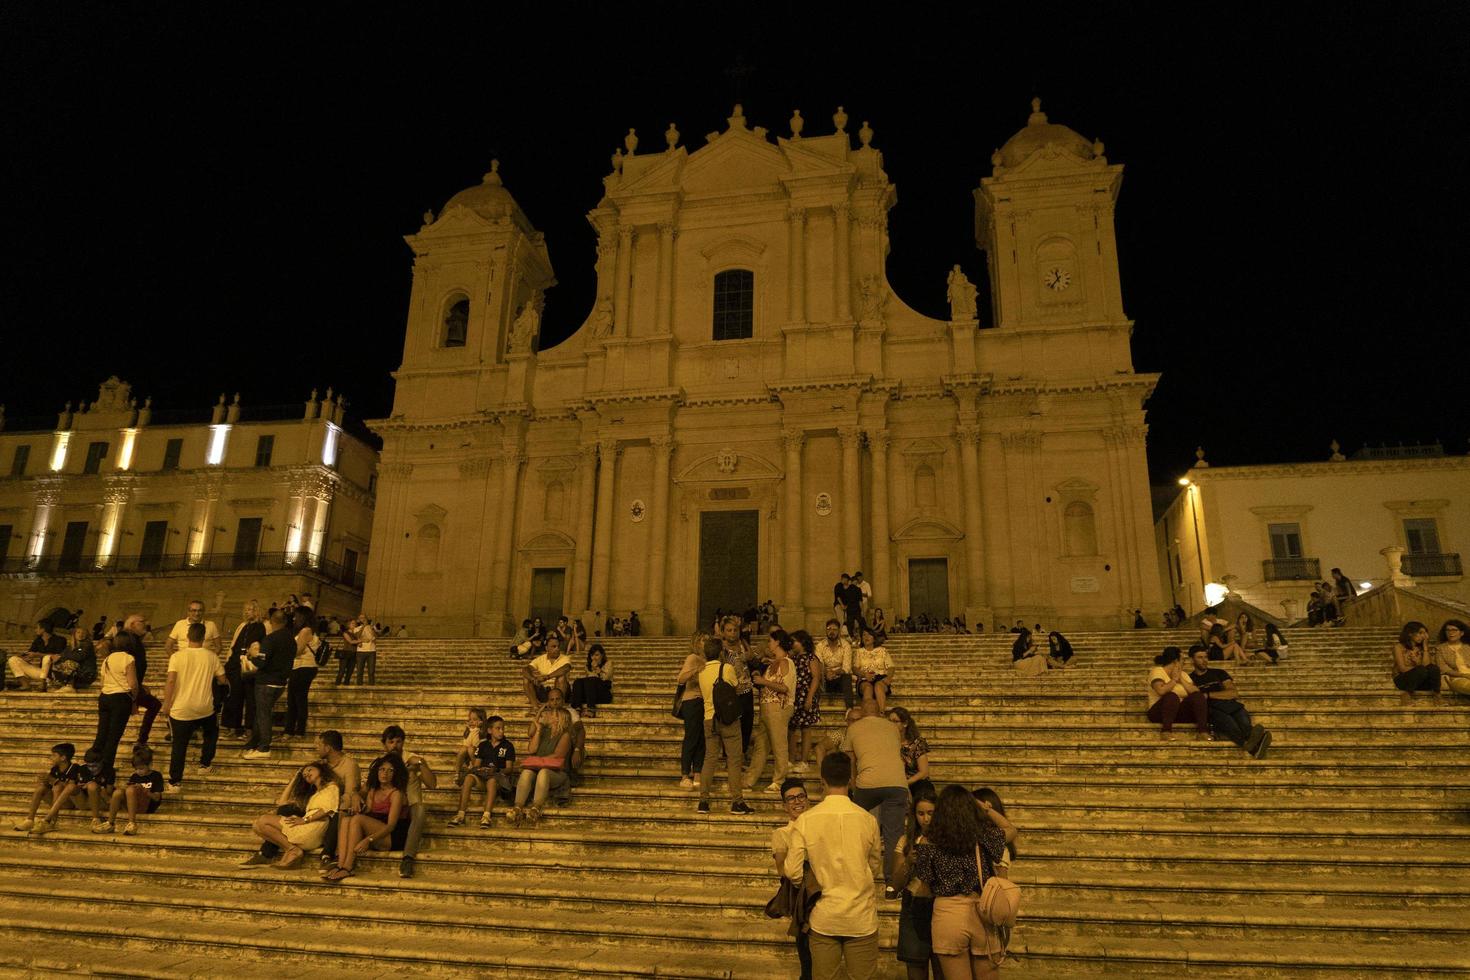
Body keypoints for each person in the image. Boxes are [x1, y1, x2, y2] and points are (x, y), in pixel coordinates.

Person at [784, 751, 883, 980]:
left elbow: (792, 870)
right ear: (850, 780)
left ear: (823, 781)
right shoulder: (867, 820)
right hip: (861, 916)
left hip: (824, 915)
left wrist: (808, 884)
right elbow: (874, 865)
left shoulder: (807, 820)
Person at [911, 784, 1018, 980]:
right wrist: (985, 808)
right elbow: (1010, 829)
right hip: (980, 911)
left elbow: (925, 886)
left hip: (947, 914)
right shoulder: (981, 837)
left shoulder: (928, 843)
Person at [840, 698, 909, 894]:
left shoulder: (854, 728)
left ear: (861, 712)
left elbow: (850, 759)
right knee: (894, 834)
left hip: (867, 784)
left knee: (857, 829)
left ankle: (857, 874)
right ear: (880, 712)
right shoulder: (892, 728)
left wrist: (853, 783)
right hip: (897, 784)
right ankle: (891, 883)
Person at [161, 621, 226, 790]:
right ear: (204, 637)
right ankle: (204, 764)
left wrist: (166, 704)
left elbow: (171, 680)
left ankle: (175, 781)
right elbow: (222, 680)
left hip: (181, 709)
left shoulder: (177, 656)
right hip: (205, 707)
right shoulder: (211, 656)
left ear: (188, 636)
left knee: (179, 746)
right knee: (211, 734)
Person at [697, 636, 753, 815]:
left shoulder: (701, 671)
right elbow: (736, 687)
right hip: (728, 719)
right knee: (734, 760)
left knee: (709, 759)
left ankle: (703, 801)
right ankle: (737, 801)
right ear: (721, 652)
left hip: (708, 718)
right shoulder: (726, 668)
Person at [891, 784, 941, 980]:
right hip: (913, 906)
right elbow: (895, 883)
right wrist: (908, 862)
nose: (926, 819)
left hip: (939, 906)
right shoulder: (906, 841)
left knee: (943, 969)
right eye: (921, 813)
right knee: (915, 971)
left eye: (930, 813)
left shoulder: (946, 840)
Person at [323, 756, 401, 881]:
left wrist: (367, 840)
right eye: (382, 769)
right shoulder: (373, 790)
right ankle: (340, 864)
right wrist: (357, 807)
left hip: (391, 836)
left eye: (390, 770)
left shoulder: (396, 794)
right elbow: (369, 812)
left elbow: (391, 826)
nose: (385, 773)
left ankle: (348, 867)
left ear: (395, 774)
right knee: (346, 819)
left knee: (358, 819)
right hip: (376, 830)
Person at [1188, 645, 1272, 758]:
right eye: (1200, 657)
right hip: (1212, 709)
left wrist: (1208, 695)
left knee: (1245, 726)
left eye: (1206, 657)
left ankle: (1252, 745)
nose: (1204, 660)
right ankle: (1256, 742)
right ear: (1192, 660)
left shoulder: (1219, 673)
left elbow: (1233, 693)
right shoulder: (1190, 679)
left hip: (1231, 705)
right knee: (1230, 724)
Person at [770, 776, 814, 978]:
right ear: (784, 805)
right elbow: (782, 869)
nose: (797, 802)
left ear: (808, 799)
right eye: (791, 799)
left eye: (800, 796)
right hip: (801, 897)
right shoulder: (782, 833)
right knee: (806, 952)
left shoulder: (819, 825)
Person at [508, 691, 573, 827]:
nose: (548, 715)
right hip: (539, 767)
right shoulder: (543, 731)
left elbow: (557, 756)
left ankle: (536, 808)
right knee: (526, 772)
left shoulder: (565, 735)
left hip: (557, 773)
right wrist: (538, 729)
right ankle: (518, 807)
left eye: (551, 715)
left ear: (559, 719)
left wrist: (535, 762)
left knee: (543, 771)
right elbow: (531, 750)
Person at [379, 724, 436, 877]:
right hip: (388, 810)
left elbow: (432, 785)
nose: (395, 746)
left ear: (403, 743)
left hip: (409, 808)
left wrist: (420, 764)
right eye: (391, 742)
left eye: (398, 742)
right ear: (384, 744)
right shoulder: (381, 763)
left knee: (421, 809)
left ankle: (408, 858)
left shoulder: (412, 759)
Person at [746, 628, 795, 793]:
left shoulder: (786, 662)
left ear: (777, 642)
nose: (769, 644)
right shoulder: (772, 663)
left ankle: (779, 780)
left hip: (779, 708)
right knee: (761, 745)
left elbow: (784, 687)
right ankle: (749, 779)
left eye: (770, 641)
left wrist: (763, 681)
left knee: (779, 745)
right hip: (766, 707)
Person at [241, 610, 295, 759]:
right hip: (281, 682)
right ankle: (255, 742)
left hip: (266, 682)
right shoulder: (291, 639)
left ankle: (264, 747)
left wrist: (251, 657)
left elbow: (261, 663)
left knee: (263, 714)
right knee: (262, 712)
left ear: (271, 621)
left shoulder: (270, 639)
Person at [450, 714, 516, 828]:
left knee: (492, 780)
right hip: (483, 777)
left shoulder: (508, 746)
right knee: (469, 778)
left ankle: (486, 816)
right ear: (490, 730)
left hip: (498, 779)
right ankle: (460, 814)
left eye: (503, 728)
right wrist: (480, 770)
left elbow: (509, 768)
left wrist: (496, 770)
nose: (501, 731)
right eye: (498, 728)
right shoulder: (483, 745)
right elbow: (476, 765)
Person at [13, 742, 89, 834]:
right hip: (59, 801)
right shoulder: (55, 769)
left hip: (73, 801)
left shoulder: (74, 768)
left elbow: (71, 787)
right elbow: (52, 784)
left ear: (63, 758)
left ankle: (50, 822)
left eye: (53, 755)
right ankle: (30, 820)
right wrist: (45, 781)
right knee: (41, 788)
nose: (50, 758)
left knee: (58, 787)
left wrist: (53, 780)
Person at [1146, 646, 1210, 740]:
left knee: (1198, 696)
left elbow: (1196, 691)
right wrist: (1174, 680)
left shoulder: (1183, 674)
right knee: (1171, 696)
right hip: (1159, 713)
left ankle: (1203, 732)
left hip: (1178, 713)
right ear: (1176, 661)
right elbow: (1161, 690)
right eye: (1182, 659)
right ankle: (1166, 732)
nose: (1184, 662)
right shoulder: (1158, 671)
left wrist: (1180, 678)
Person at [99, 743, 163, 835]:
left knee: (131, 790)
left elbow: (156, 798)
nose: (138, 771)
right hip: (132, 804)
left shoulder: (156, 776)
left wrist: (143, 790)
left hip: (147, 805)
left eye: (141, 769)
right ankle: (110, 823)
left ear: (150, 765)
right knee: (118, 792)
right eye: (136, 769)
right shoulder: (135, 776)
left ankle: (132, 823)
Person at [224, 601, 265, 739]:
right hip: (236, 664)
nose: (247, 612)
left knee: (250, 697)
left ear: (256, 611)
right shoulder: (243, 626)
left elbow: (259, 645)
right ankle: (233, 727)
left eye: (251, 609)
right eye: (246, 609)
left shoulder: (260, 627)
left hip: (249, 665)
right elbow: (235, 645)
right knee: (234, 696)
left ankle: (249, 728)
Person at [788, 628, 824, 774]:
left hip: (805, 695)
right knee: (791, 729)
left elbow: (816, 678)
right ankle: (791, 759)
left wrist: (809, 697)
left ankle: (804, 761)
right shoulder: (792, 658)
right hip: (793, 697)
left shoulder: (811, 658)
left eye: (794, 641)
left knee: (805, 729)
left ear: (802, 642)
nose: (792, 644)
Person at [675, 633, 708, 789]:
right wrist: (697, 671)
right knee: (692, 737)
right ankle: (685, 774)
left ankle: (698, 773)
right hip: (692, 701)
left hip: (705, 702)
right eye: (703, 640)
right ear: (696, 642)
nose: (705, 643)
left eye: (708, 640)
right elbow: (681, 678)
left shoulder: (710, 659)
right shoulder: (693, 658)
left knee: (702, 739)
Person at [283, 608, 322, 739]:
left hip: (303, 667)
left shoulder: (305, 631)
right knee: (295, 699)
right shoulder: (308, 630)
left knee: (297, 700)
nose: (293, 619)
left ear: (302, 617)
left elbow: (297, 650)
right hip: (303, 667)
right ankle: (293, 731)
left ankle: (296, 731)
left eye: (296, 616)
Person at [7, 621, 69, 691]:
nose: (35, 630)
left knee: (47, 657)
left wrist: (38, 654)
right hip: (42, 672)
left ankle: (43, 685)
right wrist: (22, 657)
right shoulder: (38, 641)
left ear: (43, 629)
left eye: (37, 628)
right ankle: (25, 685)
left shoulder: (60, 640)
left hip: (54, 672)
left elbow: (58, 655)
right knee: (13, 659)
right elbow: (30, 652)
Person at [887, 706, 932, 796]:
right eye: (890, 721)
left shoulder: (917, 742)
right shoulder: (886, 742)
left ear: (905, 723)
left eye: (895, 721)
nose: (891, 725)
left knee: (924, 787)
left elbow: (924, 772)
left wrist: (906, 783)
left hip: (914, 782)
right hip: (893, 782)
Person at [523, 632, 572, 714]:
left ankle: (558, 707)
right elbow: (525, 669)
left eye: (558, 646)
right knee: (526, 679)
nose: (557, 649)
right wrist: (533, 678)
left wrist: (547, 677)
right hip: (544, 691)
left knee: (561, 678)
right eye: (553, 646)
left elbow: (566, 668)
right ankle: (535, 707)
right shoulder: (540, 659)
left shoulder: (565, 658)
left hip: (559, 692)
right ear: (546, 648)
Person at [1392, 621, 1440, 694]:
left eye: (1424, 633)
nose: (1423, 636)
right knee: (1421, 669)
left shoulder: (1422, 648)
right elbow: (1402, 668)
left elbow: (1427, 666)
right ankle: (1407, 695)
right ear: (1410, 633)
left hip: (1420, 680)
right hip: (1403, 680)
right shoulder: (1399, 647)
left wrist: (1425, 647)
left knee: (1433, 668)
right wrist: (1418, 668)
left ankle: (1437, 694)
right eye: (1420, 633)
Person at [815, 618, 854, 711]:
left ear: (839, 631)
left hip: (840, 679)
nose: (831, 632)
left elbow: (846, 667)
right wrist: (825, 673)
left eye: (834, 629)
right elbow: (818, 664)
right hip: (825, 680)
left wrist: (834, 673)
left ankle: (849, 709)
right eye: (829, 629)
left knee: (847, 676)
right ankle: (815, 708)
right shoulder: (820, 646)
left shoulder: (846, 645)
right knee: (815, 674)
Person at [853, 628, 894, 711]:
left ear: (874, 638)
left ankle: (881, 713)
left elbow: (891, 667)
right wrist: (864, 675)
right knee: (868, 688)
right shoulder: (859, 652)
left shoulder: (882, 651)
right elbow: (854, 668)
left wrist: (888, 678)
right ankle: (867, 716)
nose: (866, 637)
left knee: (878, 686)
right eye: (864, 635)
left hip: (881, 677)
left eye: (869, 634)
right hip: (864, 678)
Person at [569, 643, 614, 718]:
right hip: (592, 694)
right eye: (592, 655)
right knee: (578, 681)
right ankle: (577, 708)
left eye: (597, 655)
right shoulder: (587, 666)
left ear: (602, 655)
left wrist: (597, 668)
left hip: (604, 694)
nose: (594, 658)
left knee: (591, 680)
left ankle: (591, 709)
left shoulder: (608, 663)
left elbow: (605, 678)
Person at [1437, 619, 1470, 697]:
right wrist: (1464, 675)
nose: (1450, 633)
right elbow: (1443, 668)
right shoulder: (1440, 648)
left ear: (1461, 633)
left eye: (1454, 630)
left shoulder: (1467, 647)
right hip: (1457, 678)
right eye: (1448, 630)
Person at [348, 615, 378, 685]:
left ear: (367, 619)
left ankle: (371, 685)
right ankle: (359, 685)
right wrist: (364, 626)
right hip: (360, 652)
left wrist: (372, 628)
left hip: (371, 651)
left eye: (364, 617)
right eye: (361, 618)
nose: (363, 619)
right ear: (359, 620)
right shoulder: (357, 628)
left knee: (371, 671)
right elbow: (357, 636)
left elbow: (376, 636)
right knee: (359, 671)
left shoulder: (372, 627)